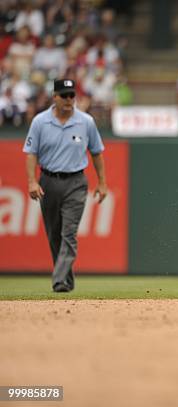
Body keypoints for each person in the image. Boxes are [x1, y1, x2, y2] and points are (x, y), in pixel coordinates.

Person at [23, 79, 108, 292]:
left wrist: (102, 182)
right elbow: (31, 153)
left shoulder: (86, 121)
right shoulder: (40, 122)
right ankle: (66, 280)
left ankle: (59, 279)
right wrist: (32, 181)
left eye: (72, 95)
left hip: (76, 182)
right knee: (54, 234)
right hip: (48, 181)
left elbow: (96, 152)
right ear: (55, 97)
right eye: (65, 95)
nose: (69, 99)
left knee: (68, 233)